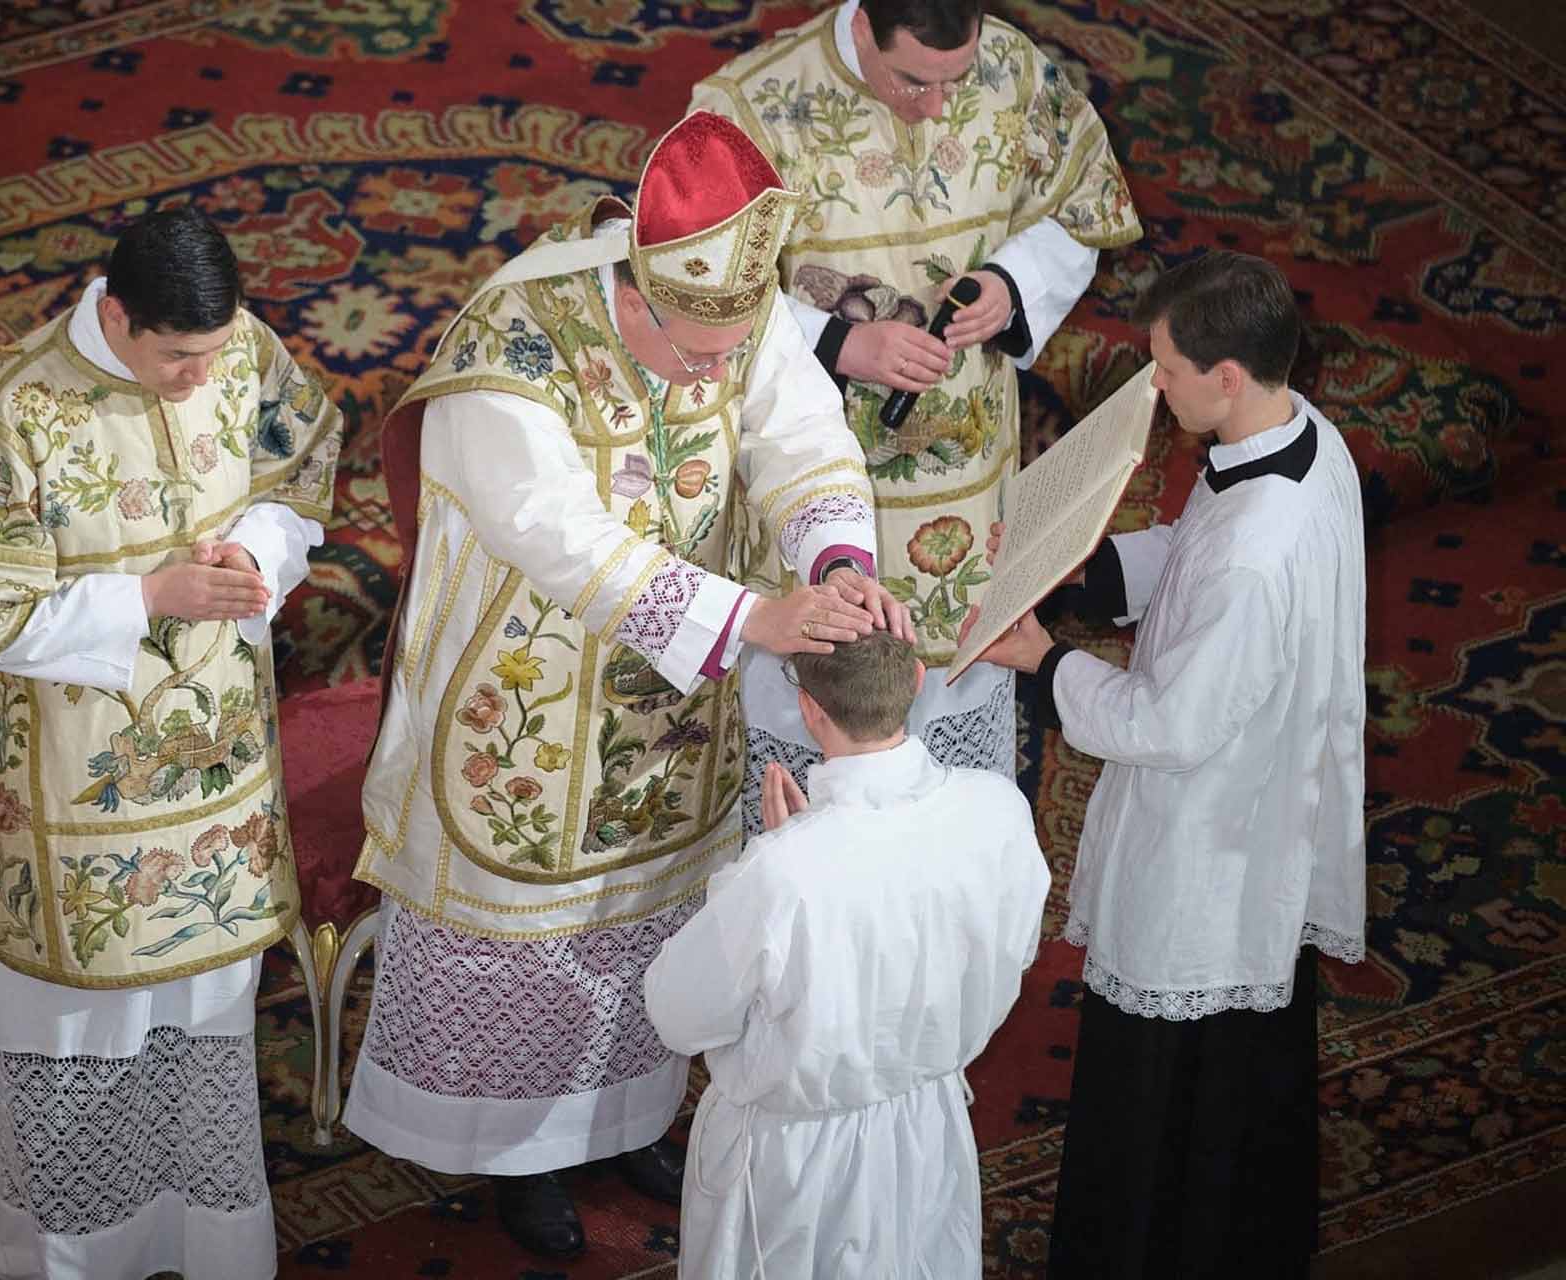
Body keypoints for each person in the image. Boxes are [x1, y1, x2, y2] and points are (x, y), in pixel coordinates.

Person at [345, 111, 914, 1259]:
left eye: (728, 353)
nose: (714, 373)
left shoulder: (728, 313)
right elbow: (560, 538)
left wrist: (836, 561)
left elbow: (802, 436)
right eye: (697, 356)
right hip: (528, 704)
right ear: (636, 295)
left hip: (674, 702)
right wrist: (752, 617)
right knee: (540, 933)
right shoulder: (511, 348)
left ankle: (624, 1120)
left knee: (655, 919)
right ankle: (523, 1158)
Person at [0, 206, 342, 1279]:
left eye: (213, 351)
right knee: (76, 1044)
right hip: (65, 799)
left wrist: (258, 552)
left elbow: (301, 465)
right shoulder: (7, 410)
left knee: (201, 1023)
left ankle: (205, 1243)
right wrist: (149, 595)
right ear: (114, 316)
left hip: (215, 776)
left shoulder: (239, 346)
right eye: (178, 356)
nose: (202, 377)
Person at [978, 251, 1366, 1278]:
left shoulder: (1257, 555)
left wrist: (1044, 663)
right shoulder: (1301, 433)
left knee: (1162, 1117)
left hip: (1209, 850)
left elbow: (1165, 725)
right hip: (1266, 811)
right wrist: (1082, 569)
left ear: (1226, 375)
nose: (1154, 387)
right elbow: (1191, 549)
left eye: (1168, 369)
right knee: (1240, 1103)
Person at [689, 0, 1142, 828]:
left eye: (954, 82)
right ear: (863, 25)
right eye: (912, 81)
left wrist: (1011, 286)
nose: (936, 108)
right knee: (819, 703)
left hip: (964, 483)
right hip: (815, 460)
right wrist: (838, 341)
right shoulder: (750, 106)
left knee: (953, 736)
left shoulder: (1013, 68)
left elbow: (1083, 204)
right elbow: (697, 284)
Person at [642, 630, 1050, 1277]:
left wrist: (775, 862)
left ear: (809, 709)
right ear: (918, 681)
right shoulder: (998, 807)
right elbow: (1012, 949)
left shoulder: (782, 871)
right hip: (928, 1124)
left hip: (794, 1160)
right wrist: (796, 855)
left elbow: (678, 1015)